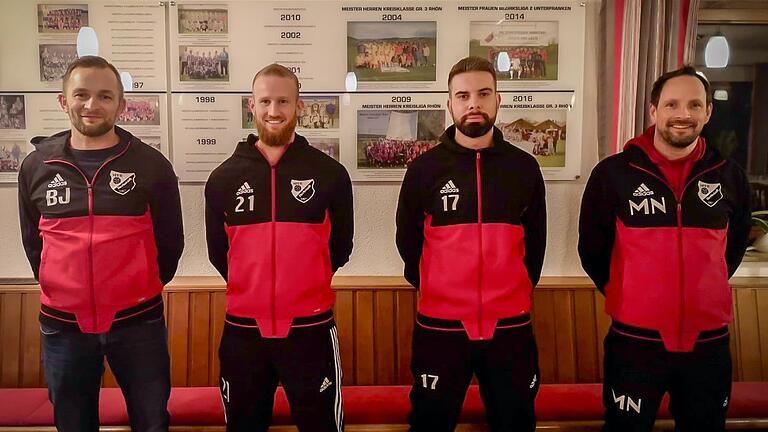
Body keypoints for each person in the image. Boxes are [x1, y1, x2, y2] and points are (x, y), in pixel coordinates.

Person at [578, 66, 752, 432]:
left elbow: (732, 249)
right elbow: (592, 249)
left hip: (708, 344)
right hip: (634, 343)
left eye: (694, 105)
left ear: (707, 112)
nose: (683, 114)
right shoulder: (614, 174)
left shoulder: (730, 175)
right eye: (672, 104)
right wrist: (632, 296)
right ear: (654, 111)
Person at [17, 55, 184, 432]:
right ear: (64, 101)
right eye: (81, 94)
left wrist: (141, 287)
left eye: (105, 96)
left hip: (138, 324)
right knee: (73, 425)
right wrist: (63, 289)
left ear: (121, 105)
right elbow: (33, 244)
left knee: (152, 422)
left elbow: (170, 244)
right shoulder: (36, 167)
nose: (92, 105)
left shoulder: (151, 165)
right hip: (64, 328)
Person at [396, 56, 546, 432]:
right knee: (430, 423)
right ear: (450, 105)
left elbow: (536, 245)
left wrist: (512, 292)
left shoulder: (524, 169)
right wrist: (439, 288)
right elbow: (409, 243)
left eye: (483, 93)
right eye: (463, 95)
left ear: (498, 100)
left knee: (516, 422)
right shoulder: (423, 170)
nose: (473, 103)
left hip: (509, 328)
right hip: (440, 329)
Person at [205, 63, 353, 432]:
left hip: (311, 331)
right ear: (251, 107)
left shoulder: (330, 175)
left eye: (284, 101)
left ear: (299, 106)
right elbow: (218, 253)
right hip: (243, 333)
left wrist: (302, 285)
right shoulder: (223, 179)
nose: (274, 111)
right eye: (265, 101)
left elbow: (340, 248)